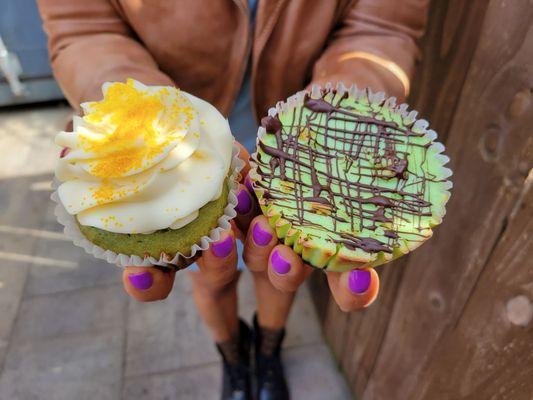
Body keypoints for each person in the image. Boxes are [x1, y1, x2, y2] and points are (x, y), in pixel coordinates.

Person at [37, 1, 428, 399]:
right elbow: (83, 29)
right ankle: (233, 360)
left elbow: (381, 27)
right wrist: (139, 115)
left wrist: (331, 114)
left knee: (276, 267)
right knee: (210, 273)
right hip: (179, 142)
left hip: (290, 133)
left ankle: (269, 351)